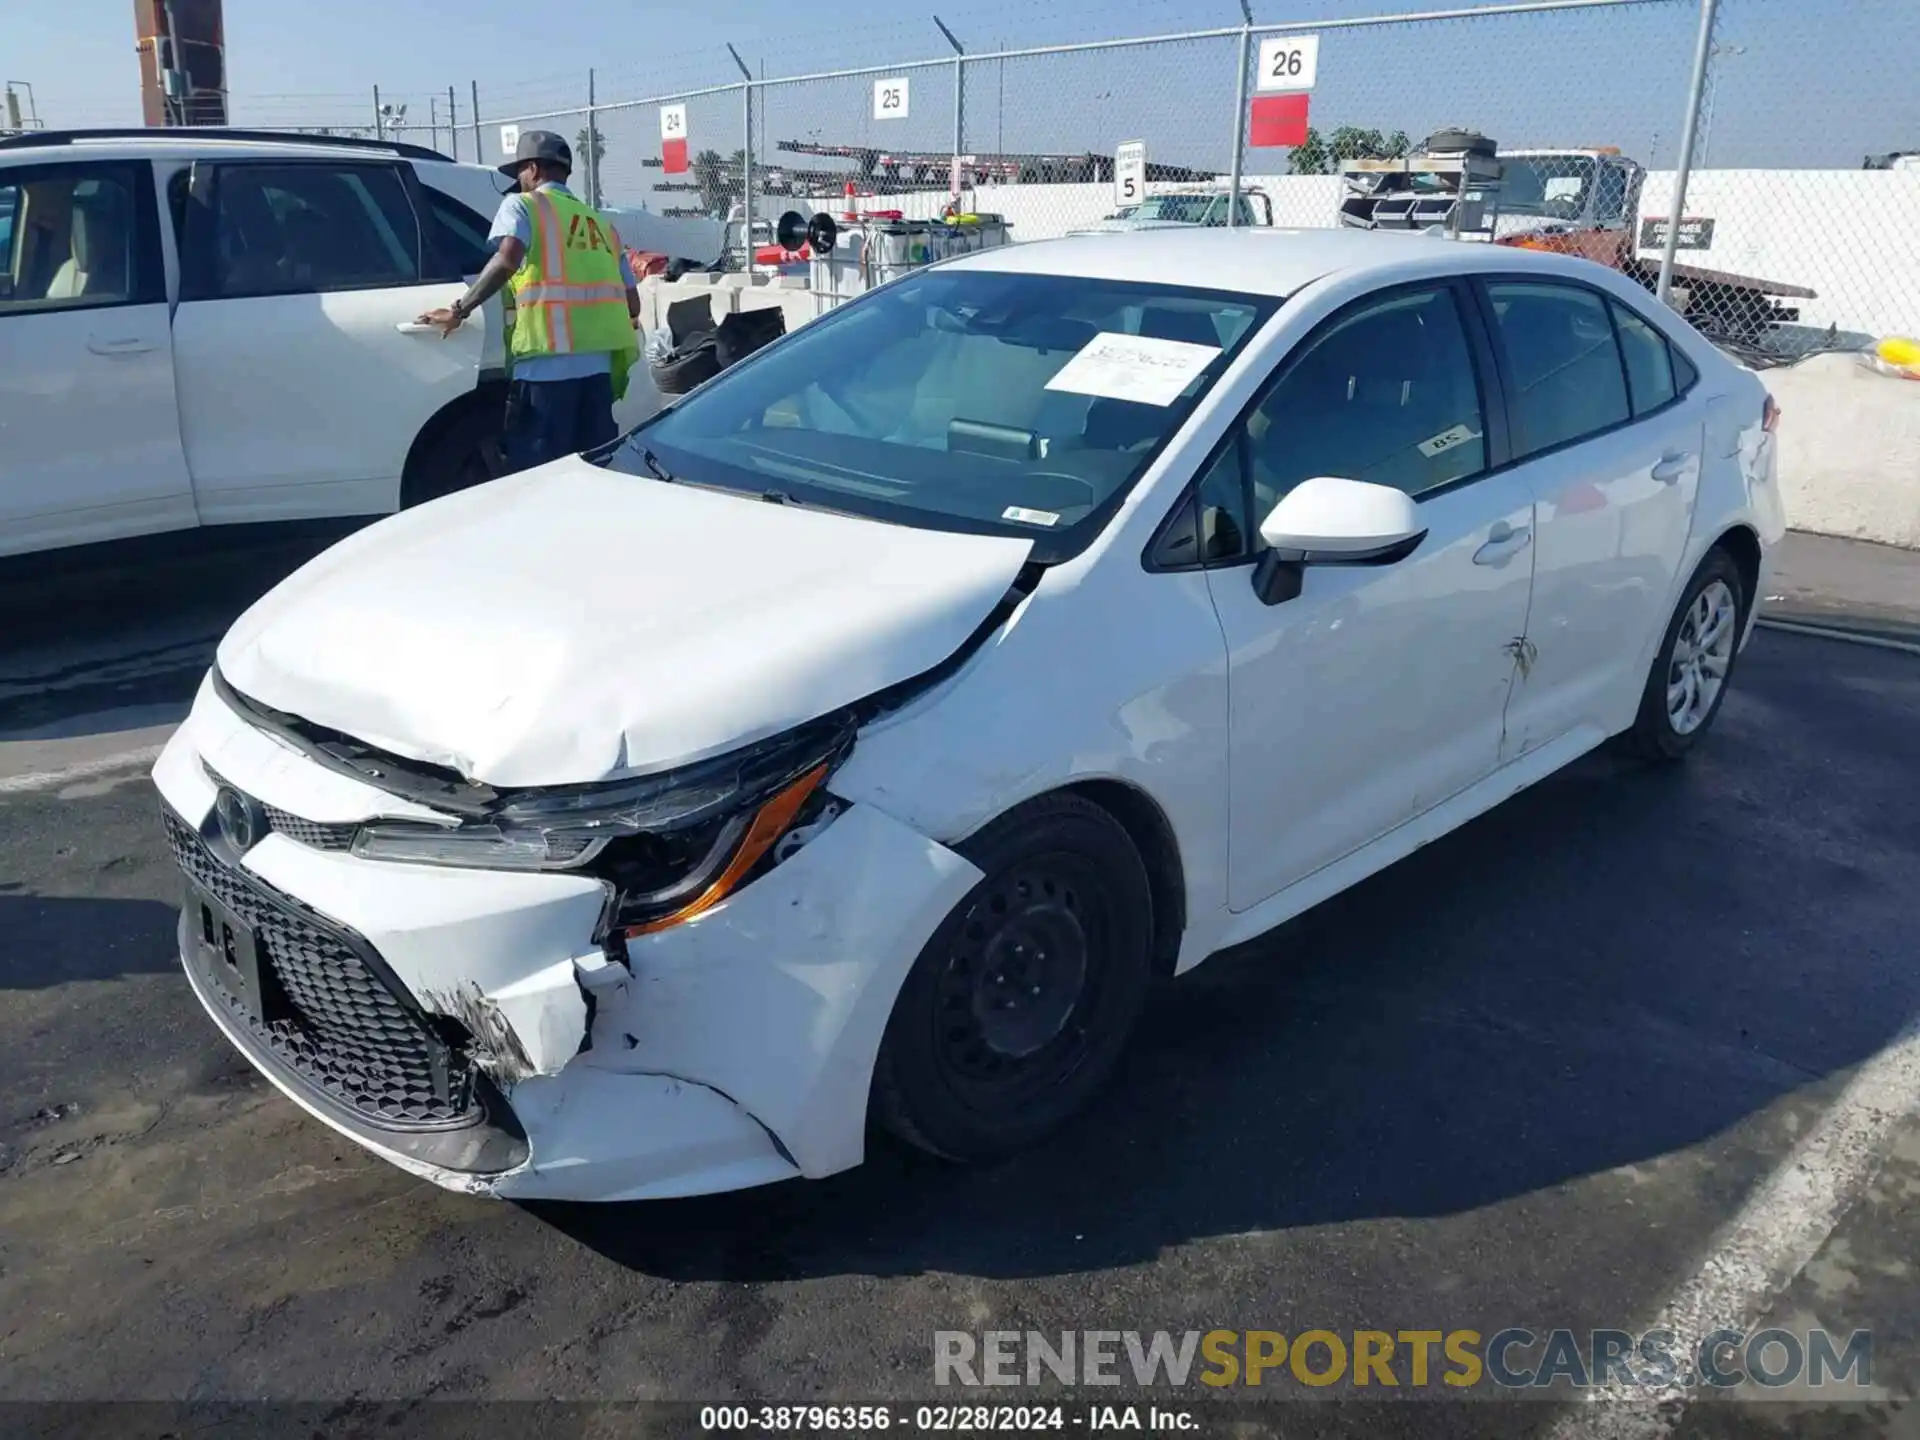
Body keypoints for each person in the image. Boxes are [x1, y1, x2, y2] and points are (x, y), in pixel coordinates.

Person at [417, 130, 641, 473]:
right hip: (598, 371)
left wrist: (459, 310)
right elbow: (633, 304)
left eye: (519, 172)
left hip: (545, 366)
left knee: (541, 475)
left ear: (533, 169)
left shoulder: (522, 205)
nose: (518, 181)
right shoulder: (602, 225)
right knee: (594, 471)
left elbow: (507, 260)